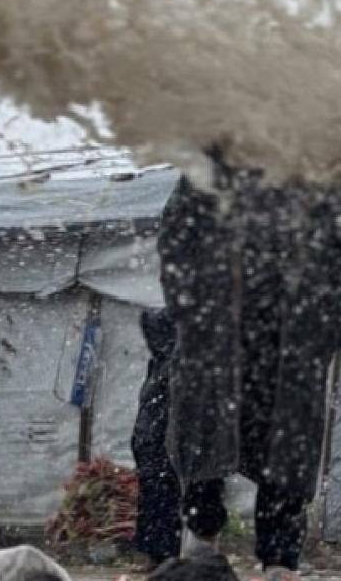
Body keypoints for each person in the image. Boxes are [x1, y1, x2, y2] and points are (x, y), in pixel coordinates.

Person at [158, 147, 341, 580]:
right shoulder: (207, 173)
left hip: (290, 350)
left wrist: (323, 330)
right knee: (204, 457)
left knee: (286, 467)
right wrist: (195, 313)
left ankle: (279, 566)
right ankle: (202, 555)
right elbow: (176, 245)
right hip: (218, 347)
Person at [132, 308, 182, 568]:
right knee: (161, 496)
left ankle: (158, 553)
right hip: (157, 441)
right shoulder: (168, 366)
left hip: (152, 440)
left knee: (157, 496)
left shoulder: (162, 365)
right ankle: (162, 553)